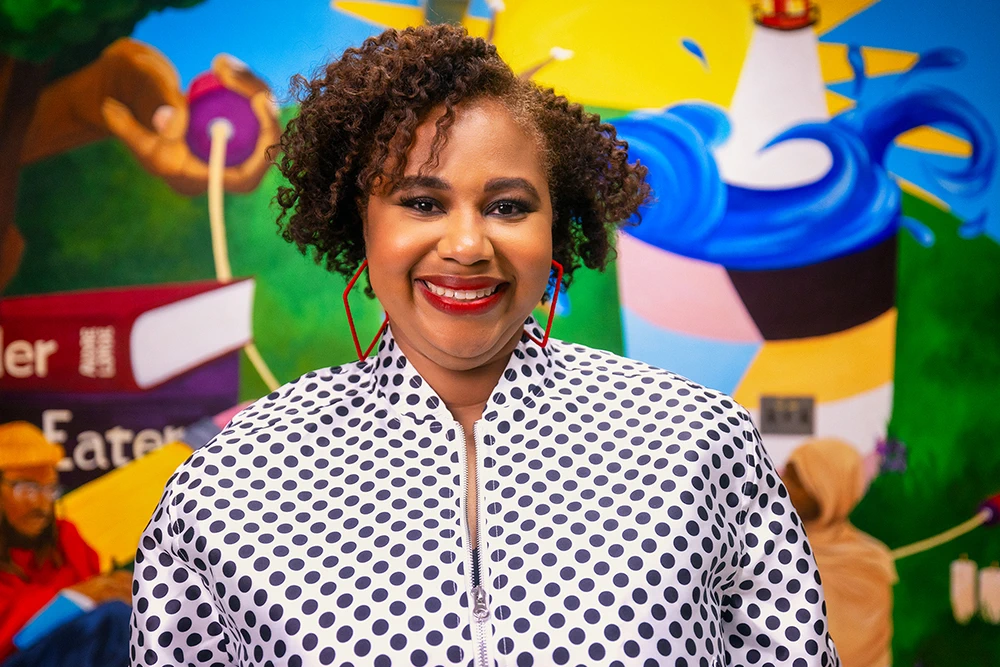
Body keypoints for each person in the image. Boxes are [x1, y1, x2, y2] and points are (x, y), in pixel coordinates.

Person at [130, 24, 840, 666]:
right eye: (421, 202)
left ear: (555, 225)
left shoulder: (700, 444)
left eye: (507, 206)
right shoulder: (226, 486)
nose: (468, 245)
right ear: (360, 222)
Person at [0, 421, 132, 666]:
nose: (40, 504)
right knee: (115, 620)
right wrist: (76, 597)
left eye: (49, 489)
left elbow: (95, 600)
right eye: (26, 488)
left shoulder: (64, 537)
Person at [782, 439, 895, 667]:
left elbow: (867, 650)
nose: (785, 487)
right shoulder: (772, 551)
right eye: (789, 477)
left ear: (836, 489)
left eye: (800, 481)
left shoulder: (870, 562)